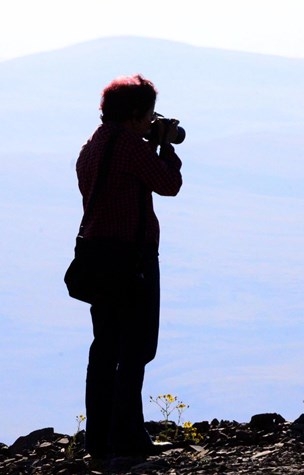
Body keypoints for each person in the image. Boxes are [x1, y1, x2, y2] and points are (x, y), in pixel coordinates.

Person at [75, 74, 183, 460]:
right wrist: (164, 147)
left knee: (105, 347)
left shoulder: (93, 144)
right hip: (131, 260)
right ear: (136, 115)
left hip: (98, 257)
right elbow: (168, 184)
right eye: (149, 115)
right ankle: (128, 439)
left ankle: (100, 440)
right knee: (136, 349)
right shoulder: (127, 146)